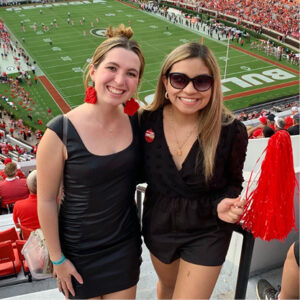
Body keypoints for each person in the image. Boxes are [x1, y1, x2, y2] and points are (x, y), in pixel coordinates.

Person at [37, 24, 145, 299]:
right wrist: (58, 258)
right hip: (77, 251)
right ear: (94, 71)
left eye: (131, 74)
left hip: (123, 247)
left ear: (137, 82)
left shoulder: (139, 121)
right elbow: (46, 199)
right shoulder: (59, 131)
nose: (120, 81)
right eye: (112, 68)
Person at [139, 42, 248, 299]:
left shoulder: (231, 130)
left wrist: (224, 203)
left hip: (208, 227)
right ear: (165, 82)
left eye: (201, 81)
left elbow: (234, 182)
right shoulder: (145, 120)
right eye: (179, 79)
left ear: (213, 85)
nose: (189, 89)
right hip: (159, 224)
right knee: (167, 288)